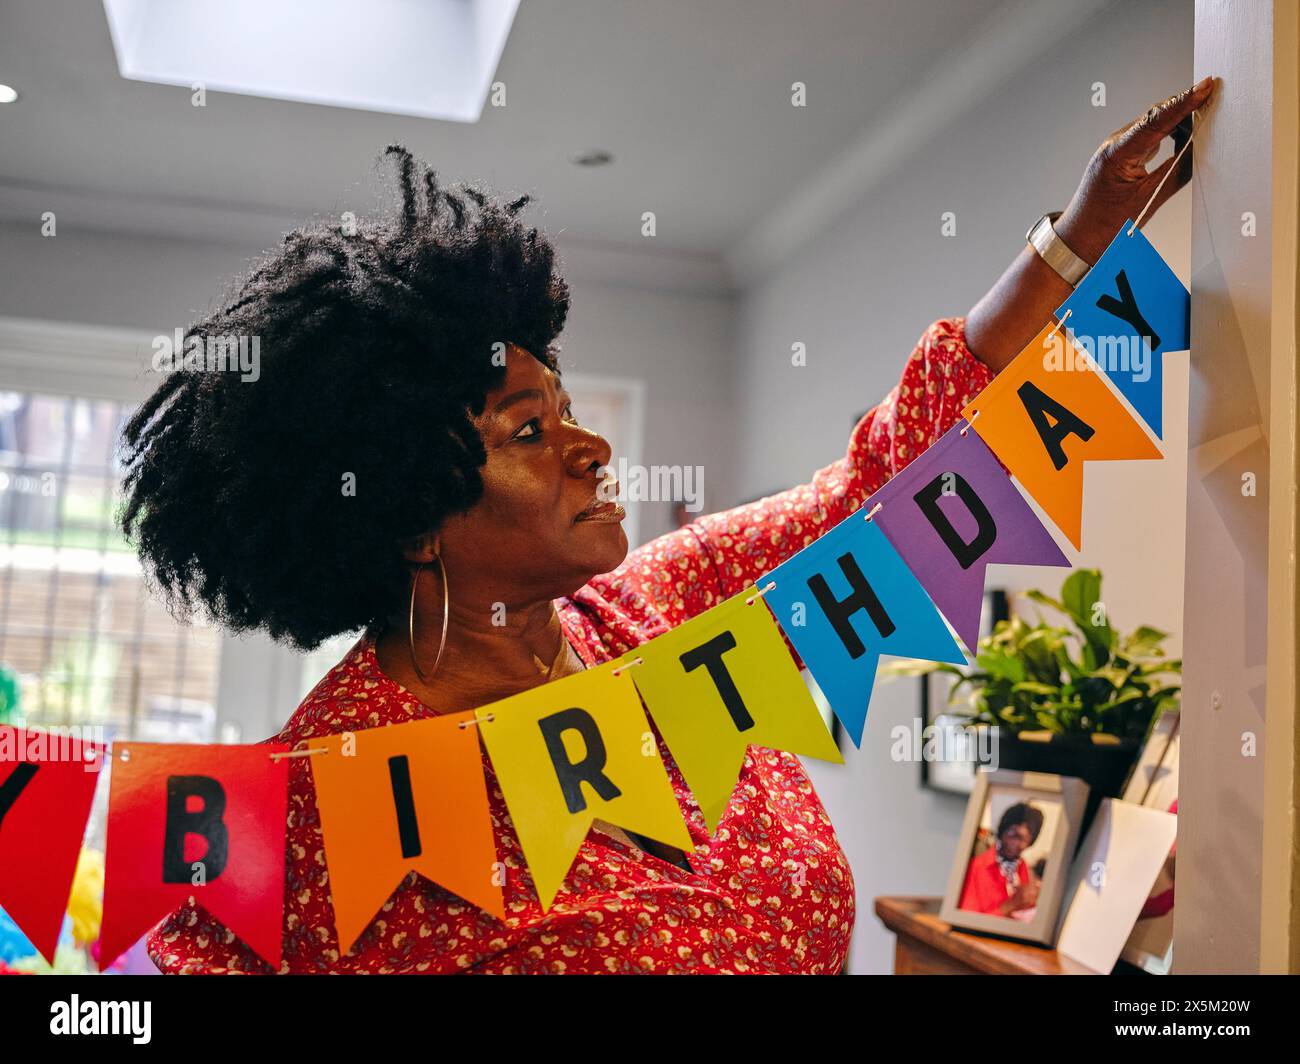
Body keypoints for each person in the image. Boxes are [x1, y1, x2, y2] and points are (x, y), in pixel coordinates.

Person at [124, 79, 1214, 974]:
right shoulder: (307, 807)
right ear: (409, 509)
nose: (588, 445)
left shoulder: (670, 605)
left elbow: (884, 478)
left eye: (569, 408)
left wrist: (1081, 237)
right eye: (527, 427)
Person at [959, 803, 1045, 918]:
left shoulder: (1023, 867)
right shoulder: (976, 867)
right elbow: (966, 920)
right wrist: (1011, 905)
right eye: (1013, 835)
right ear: (1002, 831)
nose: (1015, 843)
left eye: (1023, 839)